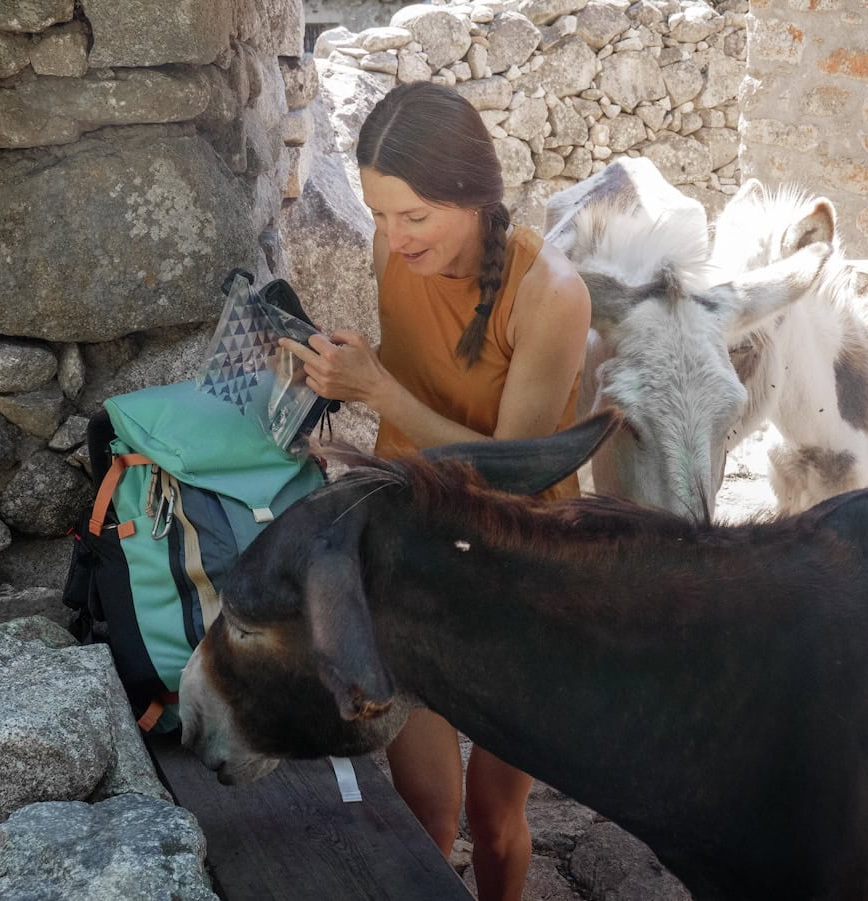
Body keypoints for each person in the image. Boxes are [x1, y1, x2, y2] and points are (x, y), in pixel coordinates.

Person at [279, 80, 591, 901]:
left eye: (414, 216)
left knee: (493, 817)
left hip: (521, 571)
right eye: (381, 214)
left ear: (476, 197)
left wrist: (377, 389)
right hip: (409, 549)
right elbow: (412, 367)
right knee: (426, 810)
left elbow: (514, 472)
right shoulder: (392, 251)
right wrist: (334, 369)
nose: (392, 236)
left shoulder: (550, 292)